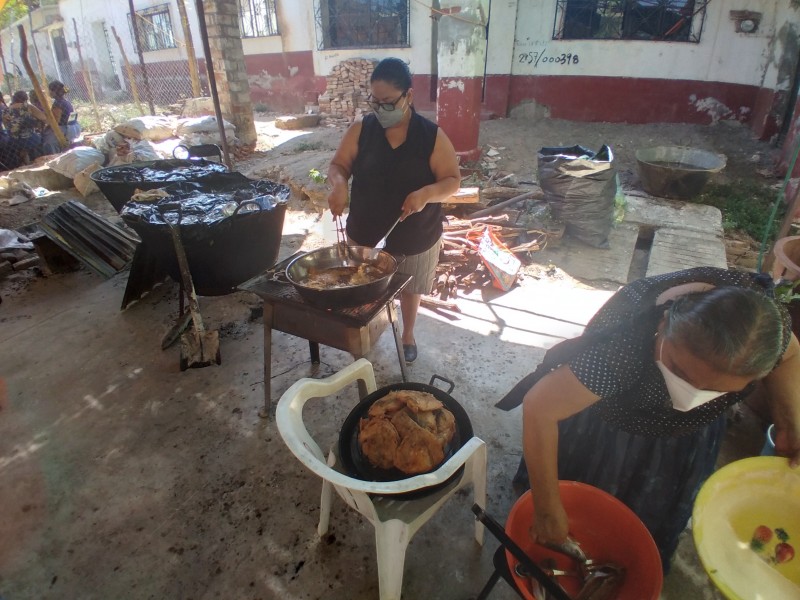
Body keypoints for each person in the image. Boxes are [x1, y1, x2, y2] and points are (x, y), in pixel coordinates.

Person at [497, 266, 800, 573]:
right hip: (612, 424)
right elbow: (540, 407)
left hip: (685, 438)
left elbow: (791, 355)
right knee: (583, 489)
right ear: (664, 324)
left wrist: (790, 425)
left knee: (651, 509)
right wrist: (547, 507)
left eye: (716, 390)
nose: (692, 395)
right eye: (680, 372)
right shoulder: (622, 350)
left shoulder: (761, 335)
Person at [326, 58, 461, 364]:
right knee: (363, 283)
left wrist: (427, 193)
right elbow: (339, 166)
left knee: (411, 288)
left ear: (409, 97)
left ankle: (408, 334)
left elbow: (452, 180)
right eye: (375, 101)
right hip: (366, 231)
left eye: (388, 101)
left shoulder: (431, 136)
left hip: (416, 231)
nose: (380, 107)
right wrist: (337, 185)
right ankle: (366, 331)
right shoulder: (361, 130)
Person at [2, 90, 47, 167]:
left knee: (21, 148)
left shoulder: (6, 110)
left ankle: (24, 161)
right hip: (29, 138)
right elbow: (43, 117)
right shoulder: (28, 107)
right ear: (25, 98)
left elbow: (6, 126)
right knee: (41, 138)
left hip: (13, 140)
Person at [42, 80, 80, 155]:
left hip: (63, 128)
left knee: (47, 141)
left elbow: (55, 121)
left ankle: (54, 156)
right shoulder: (65, 101)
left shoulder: (58, 103)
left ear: (53, 91)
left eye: (49, 90)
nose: (49, 92)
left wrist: (45, 124)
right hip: (71, 127)